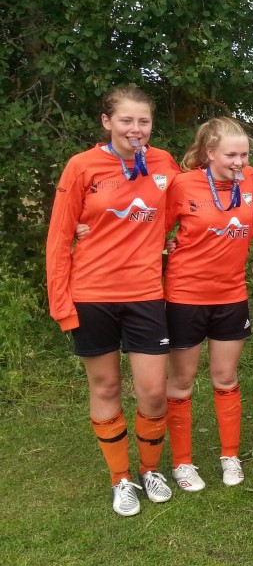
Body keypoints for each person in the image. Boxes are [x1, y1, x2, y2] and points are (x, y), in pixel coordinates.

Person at [45, 85, 179, 516]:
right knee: (105, 387)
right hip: (92, 294)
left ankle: (150, 469)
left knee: (153, 392)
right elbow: (59, 237)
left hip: (145, 294)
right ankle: (121, 478)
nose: (135, 128)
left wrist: (171, 241)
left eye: (144, 121)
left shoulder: (164, 163)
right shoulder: (82, 166)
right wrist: (61, 304)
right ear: (107, 122)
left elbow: (186, 203)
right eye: (126, 120)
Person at [163, 117, 253, 491]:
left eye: (245, 155)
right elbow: (153, 229)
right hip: (186, 297)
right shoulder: (183, 184)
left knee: (226, 377)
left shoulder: (252, 180)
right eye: (231, 155)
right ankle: (182, 462)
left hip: (232, 296)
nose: (239, 162)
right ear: (210, 152)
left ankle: (229, 456)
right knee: (182, 381)